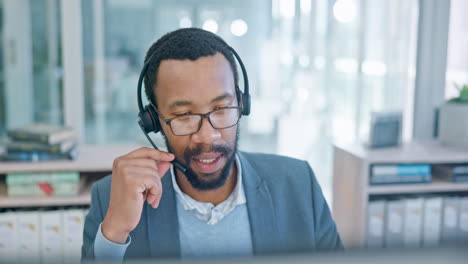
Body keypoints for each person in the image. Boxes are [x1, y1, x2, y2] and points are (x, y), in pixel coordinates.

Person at [81, 28, 343, 262]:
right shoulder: (111, 198)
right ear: (154, 120)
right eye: (184, 115)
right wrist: (114, 234)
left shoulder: (298, 184)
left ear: (242, 104)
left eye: (221, 108)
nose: (208, 137)